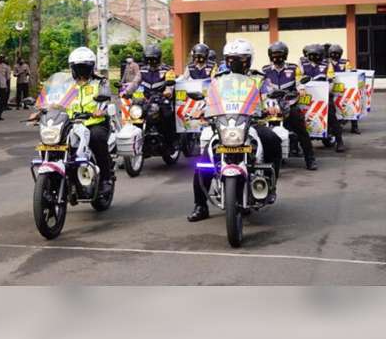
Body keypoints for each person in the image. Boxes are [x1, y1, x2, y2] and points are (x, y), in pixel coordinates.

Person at [187, 39, 284, 222]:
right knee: (205, 162)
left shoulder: (259, 78)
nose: (236, 63)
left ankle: (270, 186)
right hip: (224, 123)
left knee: (272, 140)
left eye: (241, 59)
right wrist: (199, 107)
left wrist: (272, 105)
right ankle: (200, 205)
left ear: (249, 60)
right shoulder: (219, 79)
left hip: (251, 123)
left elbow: (269, 95)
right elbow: (209, 97)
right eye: (231, 59)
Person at [61, 47, 113, 194]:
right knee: (56, 141)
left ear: (91, 67)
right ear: (72, 68)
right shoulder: (69, 85)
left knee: (97, 139)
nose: (81, 71)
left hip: (94, 123)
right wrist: (42, 111)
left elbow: (105, 98)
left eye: (84, 67)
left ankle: (105, 178)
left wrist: (100, 110)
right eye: (78, 67)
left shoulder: (99, 82)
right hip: (71, 124)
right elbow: (60, 102)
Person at [261, 41, 316, 170]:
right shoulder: (265, 70)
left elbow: (299, 82)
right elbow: (261, 86)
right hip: (271, 105)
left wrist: (301, 88)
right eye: (274, 54)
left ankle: (310, 159)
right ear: (270, 56)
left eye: (280, 54)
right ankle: (264, 159)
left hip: (289, 103)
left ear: (285, 55)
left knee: (301, 129)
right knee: (260, 129)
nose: (277, 57)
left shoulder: (293, 68)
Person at [123, 44, 178, 152]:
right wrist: (127, 92)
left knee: (167, 115)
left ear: (158, 58)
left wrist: (168, 91)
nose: (151, 62)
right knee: (136, 113)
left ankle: (170, 143)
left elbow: (170, 85)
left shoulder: (167, 70)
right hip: (148, 100)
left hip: (162, 99)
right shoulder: (142, 71)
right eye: (148, 59)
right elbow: (135, 83)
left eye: (153, 59)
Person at [301, 43, 345, 153]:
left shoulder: (327, 65)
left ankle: (339, 141)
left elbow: (331, 80)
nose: (313, 57)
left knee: (331, 115)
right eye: (311, 55)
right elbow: (299, 79)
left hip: (323, 96)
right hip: (306, 96)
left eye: (316, 55)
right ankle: (296, 145)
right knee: (298, 118)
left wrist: (327, 90)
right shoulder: (303, 65)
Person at [327, 44, 360, 135]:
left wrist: (351, 71)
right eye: (333, 53)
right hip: (331, 87)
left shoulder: (345, 62)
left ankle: (354, 126)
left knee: (351, 103)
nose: (335, 55)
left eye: (337, 53)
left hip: (344, 87)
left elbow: (349, 71)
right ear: (329, 53)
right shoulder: (326, 63)